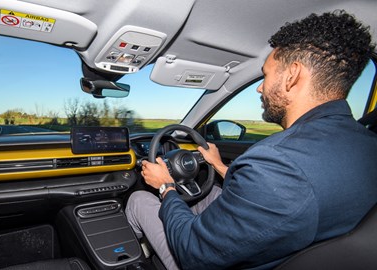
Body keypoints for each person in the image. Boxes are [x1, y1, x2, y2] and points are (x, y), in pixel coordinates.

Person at [125, 10, 377, 270]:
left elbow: (193, 254)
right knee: (208, 194)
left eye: (266, 75)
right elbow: (266, 196)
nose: (260, 87)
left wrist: (166, 186)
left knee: (139, 201)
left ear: (292, 75)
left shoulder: (277, 161)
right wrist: (219, 165)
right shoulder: (367, 143)